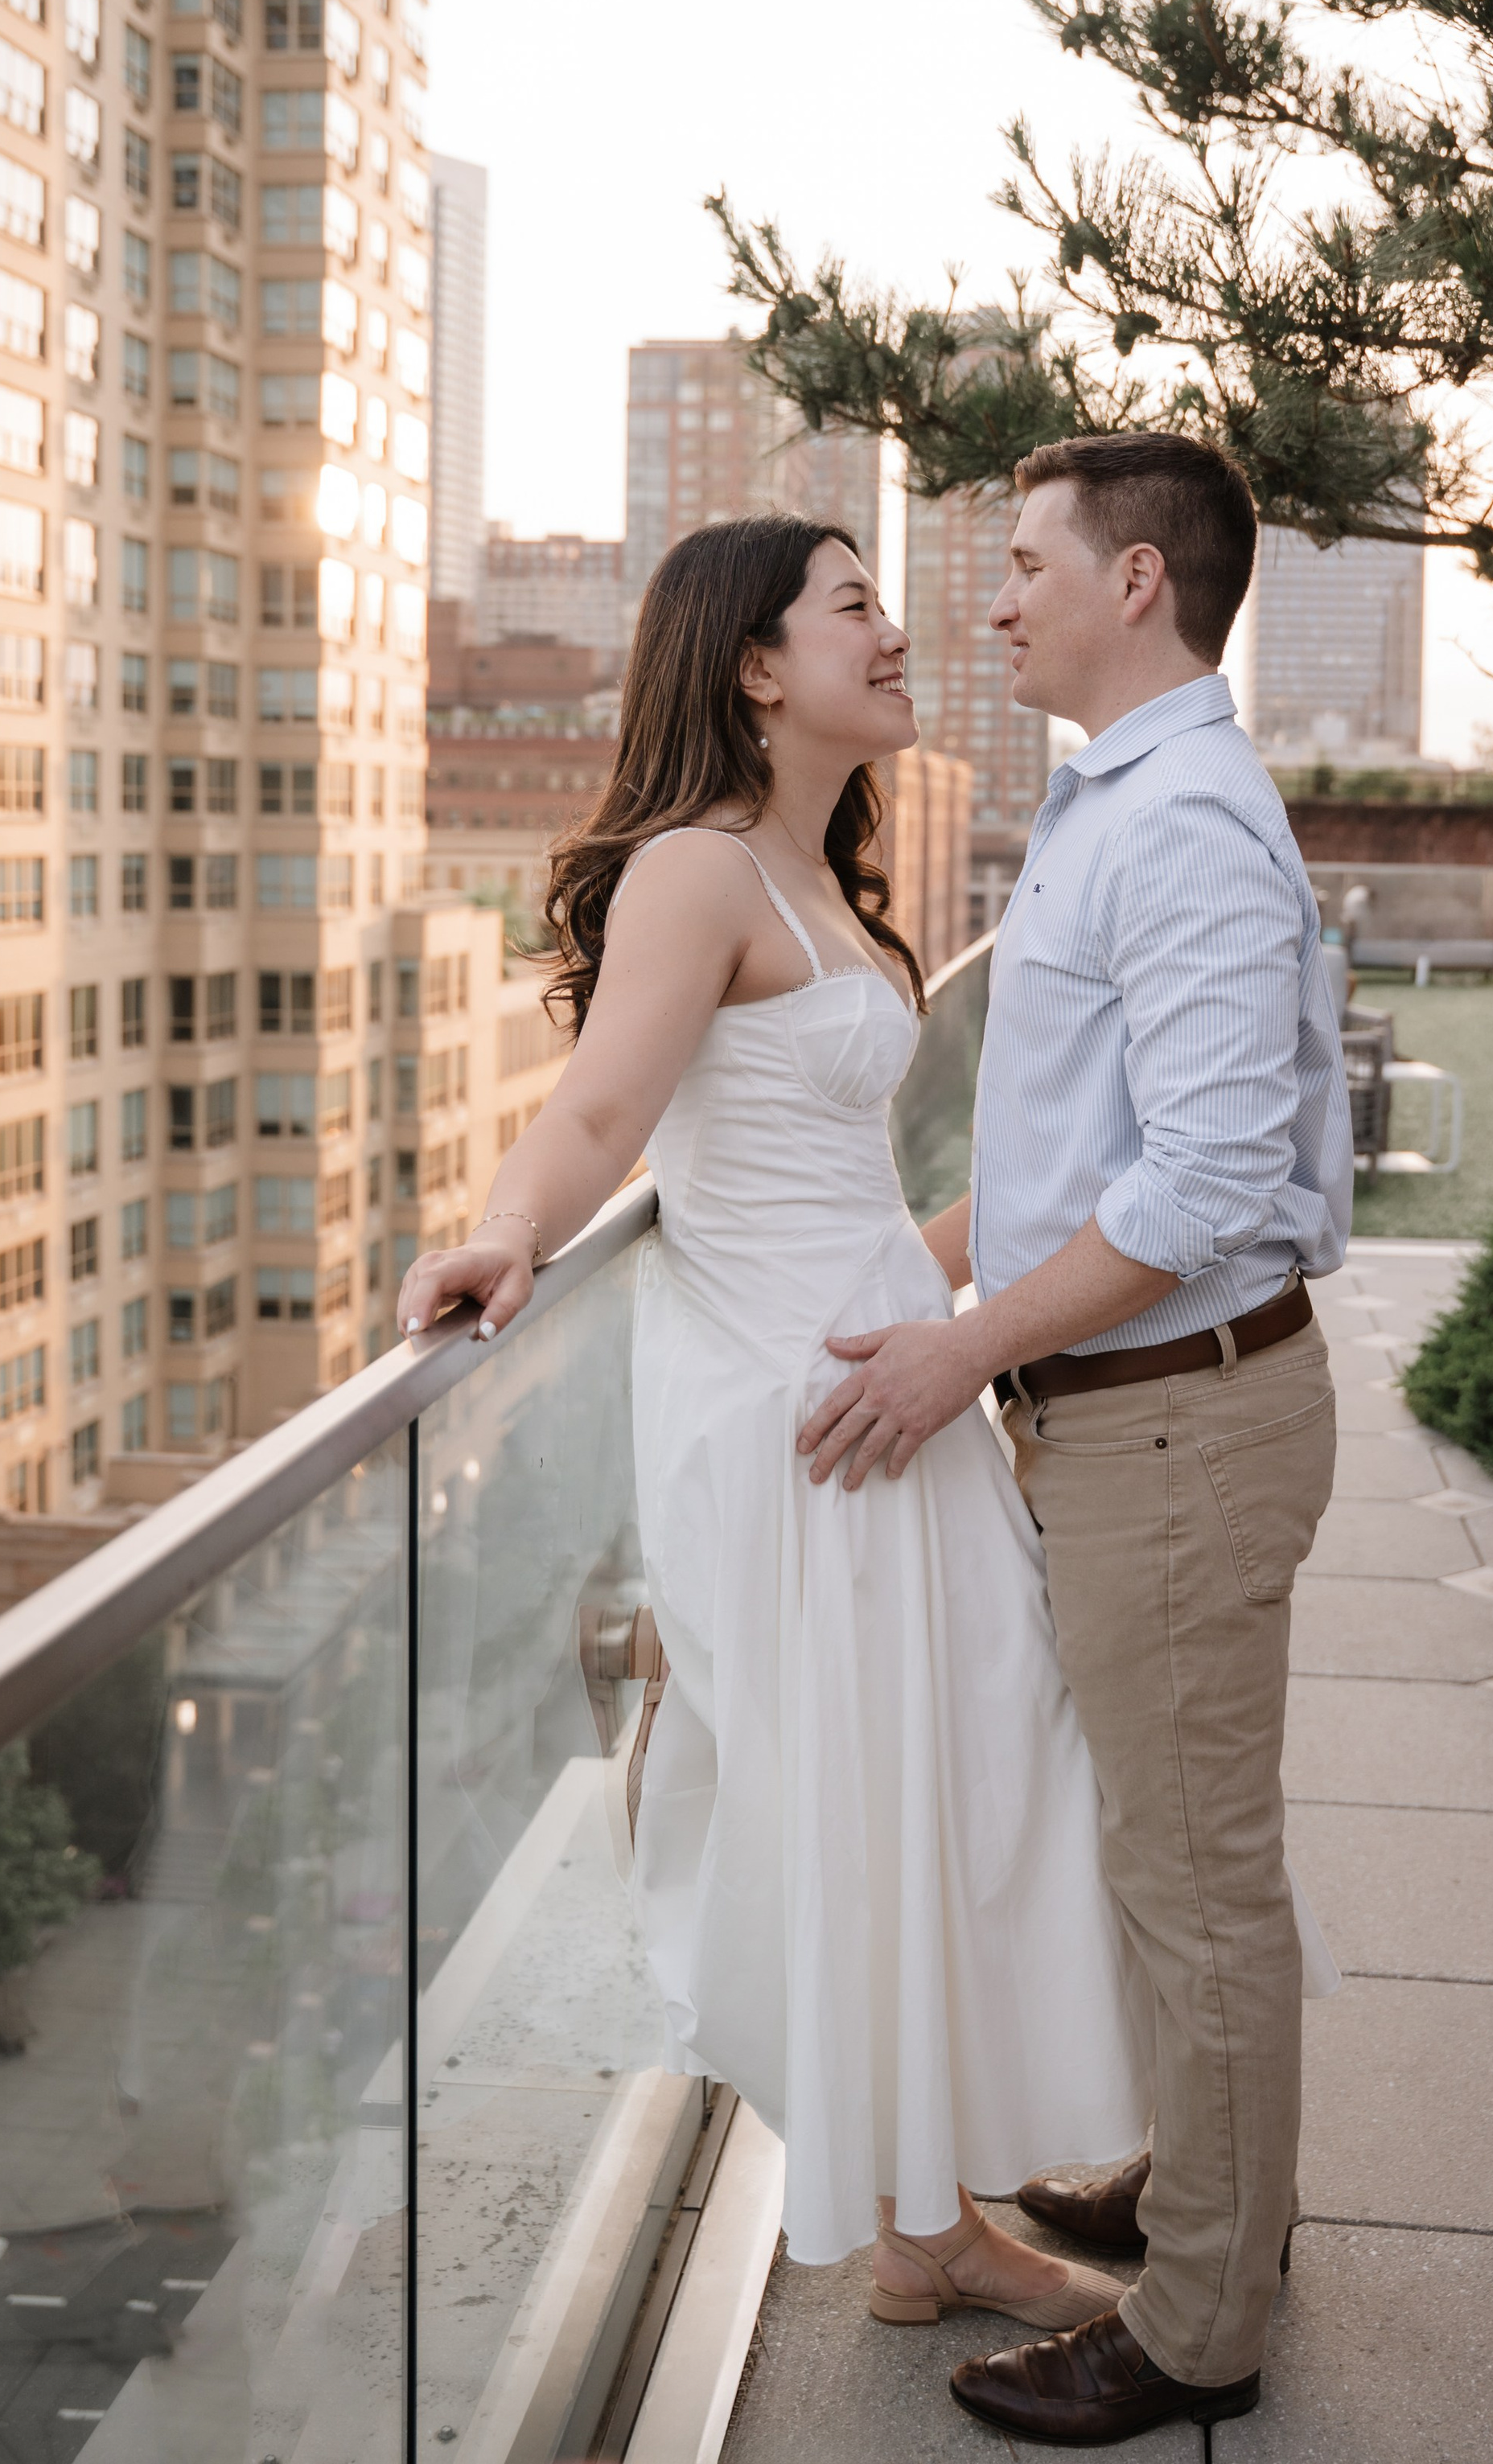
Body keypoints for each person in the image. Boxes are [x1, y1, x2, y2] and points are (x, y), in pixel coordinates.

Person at [397, 515, 1150, 2331]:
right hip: (790, 1426)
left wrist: (1011, 1273)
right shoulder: (694, 872)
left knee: (973, 1776)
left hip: (897, 1384)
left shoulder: (823, 881)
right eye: (854, 606)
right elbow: (595, 1121)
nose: (899, 632)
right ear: (752, 662)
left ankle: (925, 2222)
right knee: (878, 1799)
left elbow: (848, 1185)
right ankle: (927, 2231)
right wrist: (502, 1232)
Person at [793, 432, 1353, 2443]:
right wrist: (917, 1275)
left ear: (1136, 582)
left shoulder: (1181, 817)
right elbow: (1063, 1158)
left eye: (1024, 560)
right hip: (1127, 1416)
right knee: (1160, 1852)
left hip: (1178, 1431)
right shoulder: (1115, 793)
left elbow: (1204, 1185)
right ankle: (1206, 2193)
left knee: (1200, 1882)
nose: (994, 596)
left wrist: (951, 1358)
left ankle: (1199, 2319)